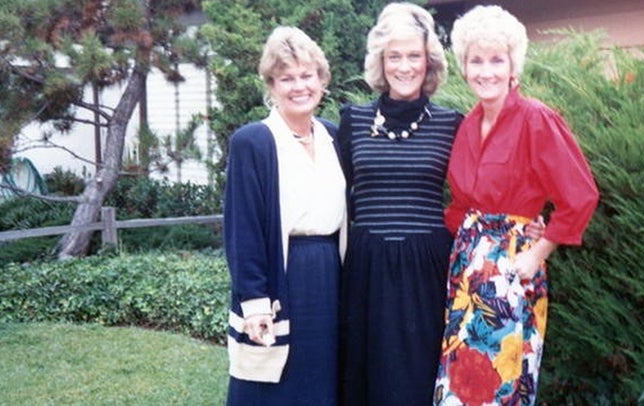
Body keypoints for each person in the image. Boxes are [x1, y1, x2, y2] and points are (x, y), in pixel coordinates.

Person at [338, 3, 544, 405]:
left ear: (429, 60)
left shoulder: (453, 123)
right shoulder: (353, 121)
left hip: (427, 268)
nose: (404, 66)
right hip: (367, 268)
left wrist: (527, 224)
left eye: (414, 55)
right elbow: (336, 197)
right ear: (381, 60)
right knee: (365, 379)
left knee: (420, 378)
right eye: (394, 56)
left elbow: (486, 185)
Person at [433, 5, 600, 406]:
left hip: (511, 270)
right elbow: (461, 206)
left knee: (497, 384)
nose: (486, 71)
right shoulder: (468, 124)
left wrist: (538, 252)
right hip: (467, 272)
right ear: (464, 66)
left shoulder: (536, 120)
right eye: (476, 60)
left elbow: (580, 196)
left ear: (513, 66)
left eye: (496, 60)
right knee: (459, 384)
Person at [223, 26, 346, 406]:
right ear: (271, 85)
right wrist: (255, 301)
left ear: (322, 80)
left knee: (324, 381)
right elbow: (242, 230)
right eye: (286, 78)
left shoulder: (333, 137)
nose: (299, 86)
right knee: (273, 381)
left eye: (307, 75)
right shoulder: (253, 142)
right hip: (284, 277)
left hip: (330, 276)